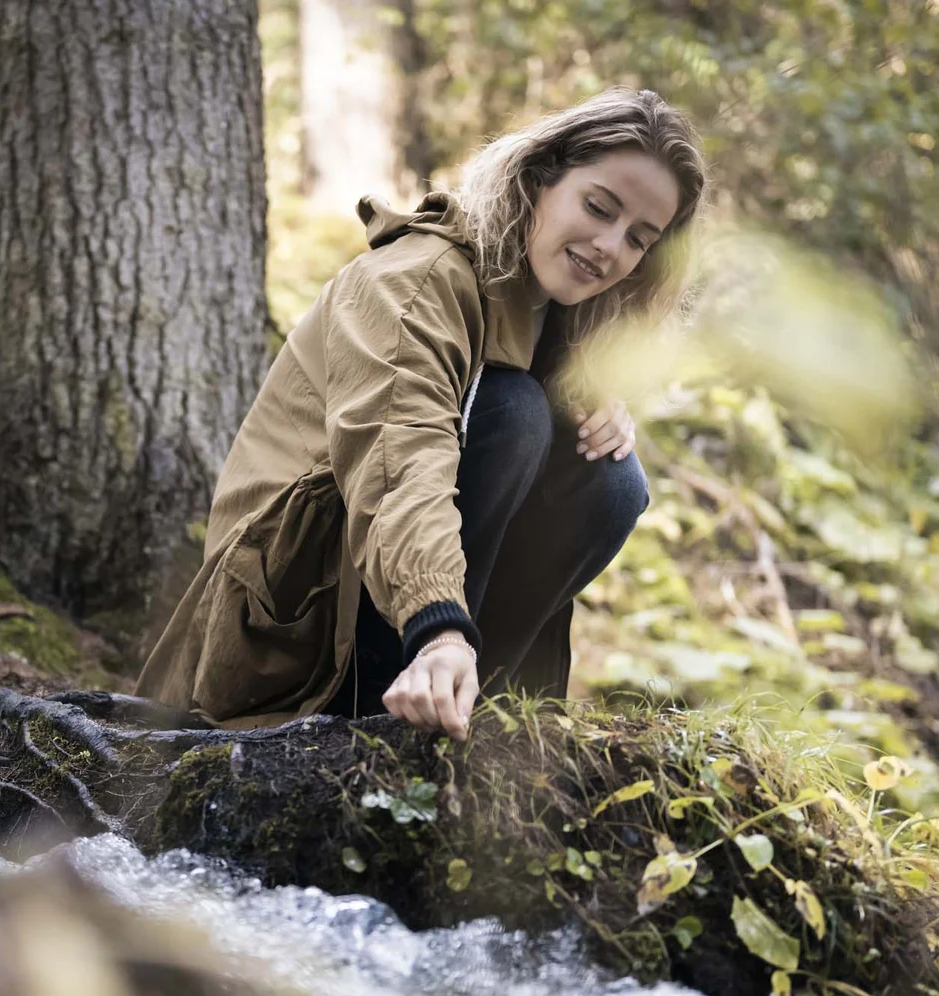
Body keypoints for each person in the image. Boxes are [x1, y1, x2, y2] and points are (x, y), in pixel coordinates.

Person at [137, 88, 709, 739]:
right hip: (288, 624)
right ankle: (413, 691)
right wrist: (437, 626)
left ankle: (474, 717)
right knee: (517, 414)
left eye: (639, 238)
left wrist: (592, 406)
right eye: (598, 207)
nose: (610, 246)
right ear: (541, 178)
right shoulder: (415, 281)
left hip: (387, 599)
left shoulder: (557, 316)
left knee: (613, 479)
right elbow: (400, 462)